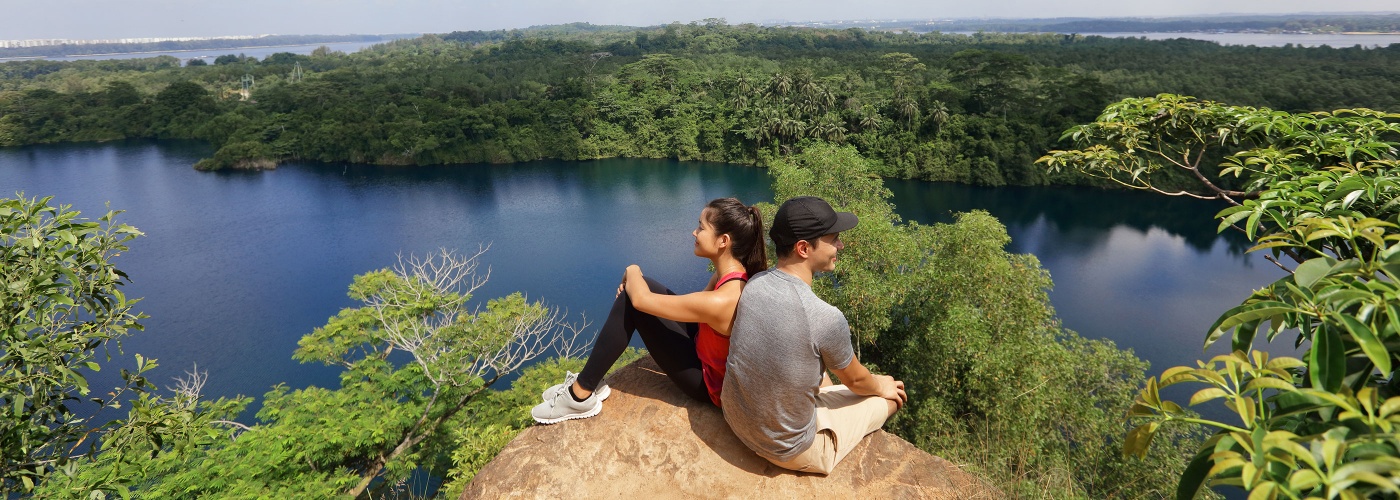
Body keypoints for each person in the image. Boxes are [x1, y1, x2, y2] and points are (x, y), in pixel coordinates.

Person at [532, 198, 767, 424]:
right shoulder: (731, 275)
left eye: (701, 227)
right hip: (703, 346)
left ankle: (579, 394)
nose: (694, 233)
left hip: (707, 384)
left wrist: (631, 269)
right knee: (642, 288)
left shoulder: (723, 300)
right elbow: (685, 306)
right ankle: (589, 380)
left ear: (723, 241)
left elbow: (643, 302)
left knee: (634, 298)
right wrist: (638, 287)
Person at [722, 196, 907, 475]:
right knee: (892, 394)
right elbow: (857, 381)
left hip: (735, 419)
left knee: (825, 377)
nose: (840, 246)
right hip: (787, 449)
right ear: (804, 248)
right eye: (834, 239)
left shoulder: (756, 283)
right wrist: (881, 386)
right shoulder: (824, 316)